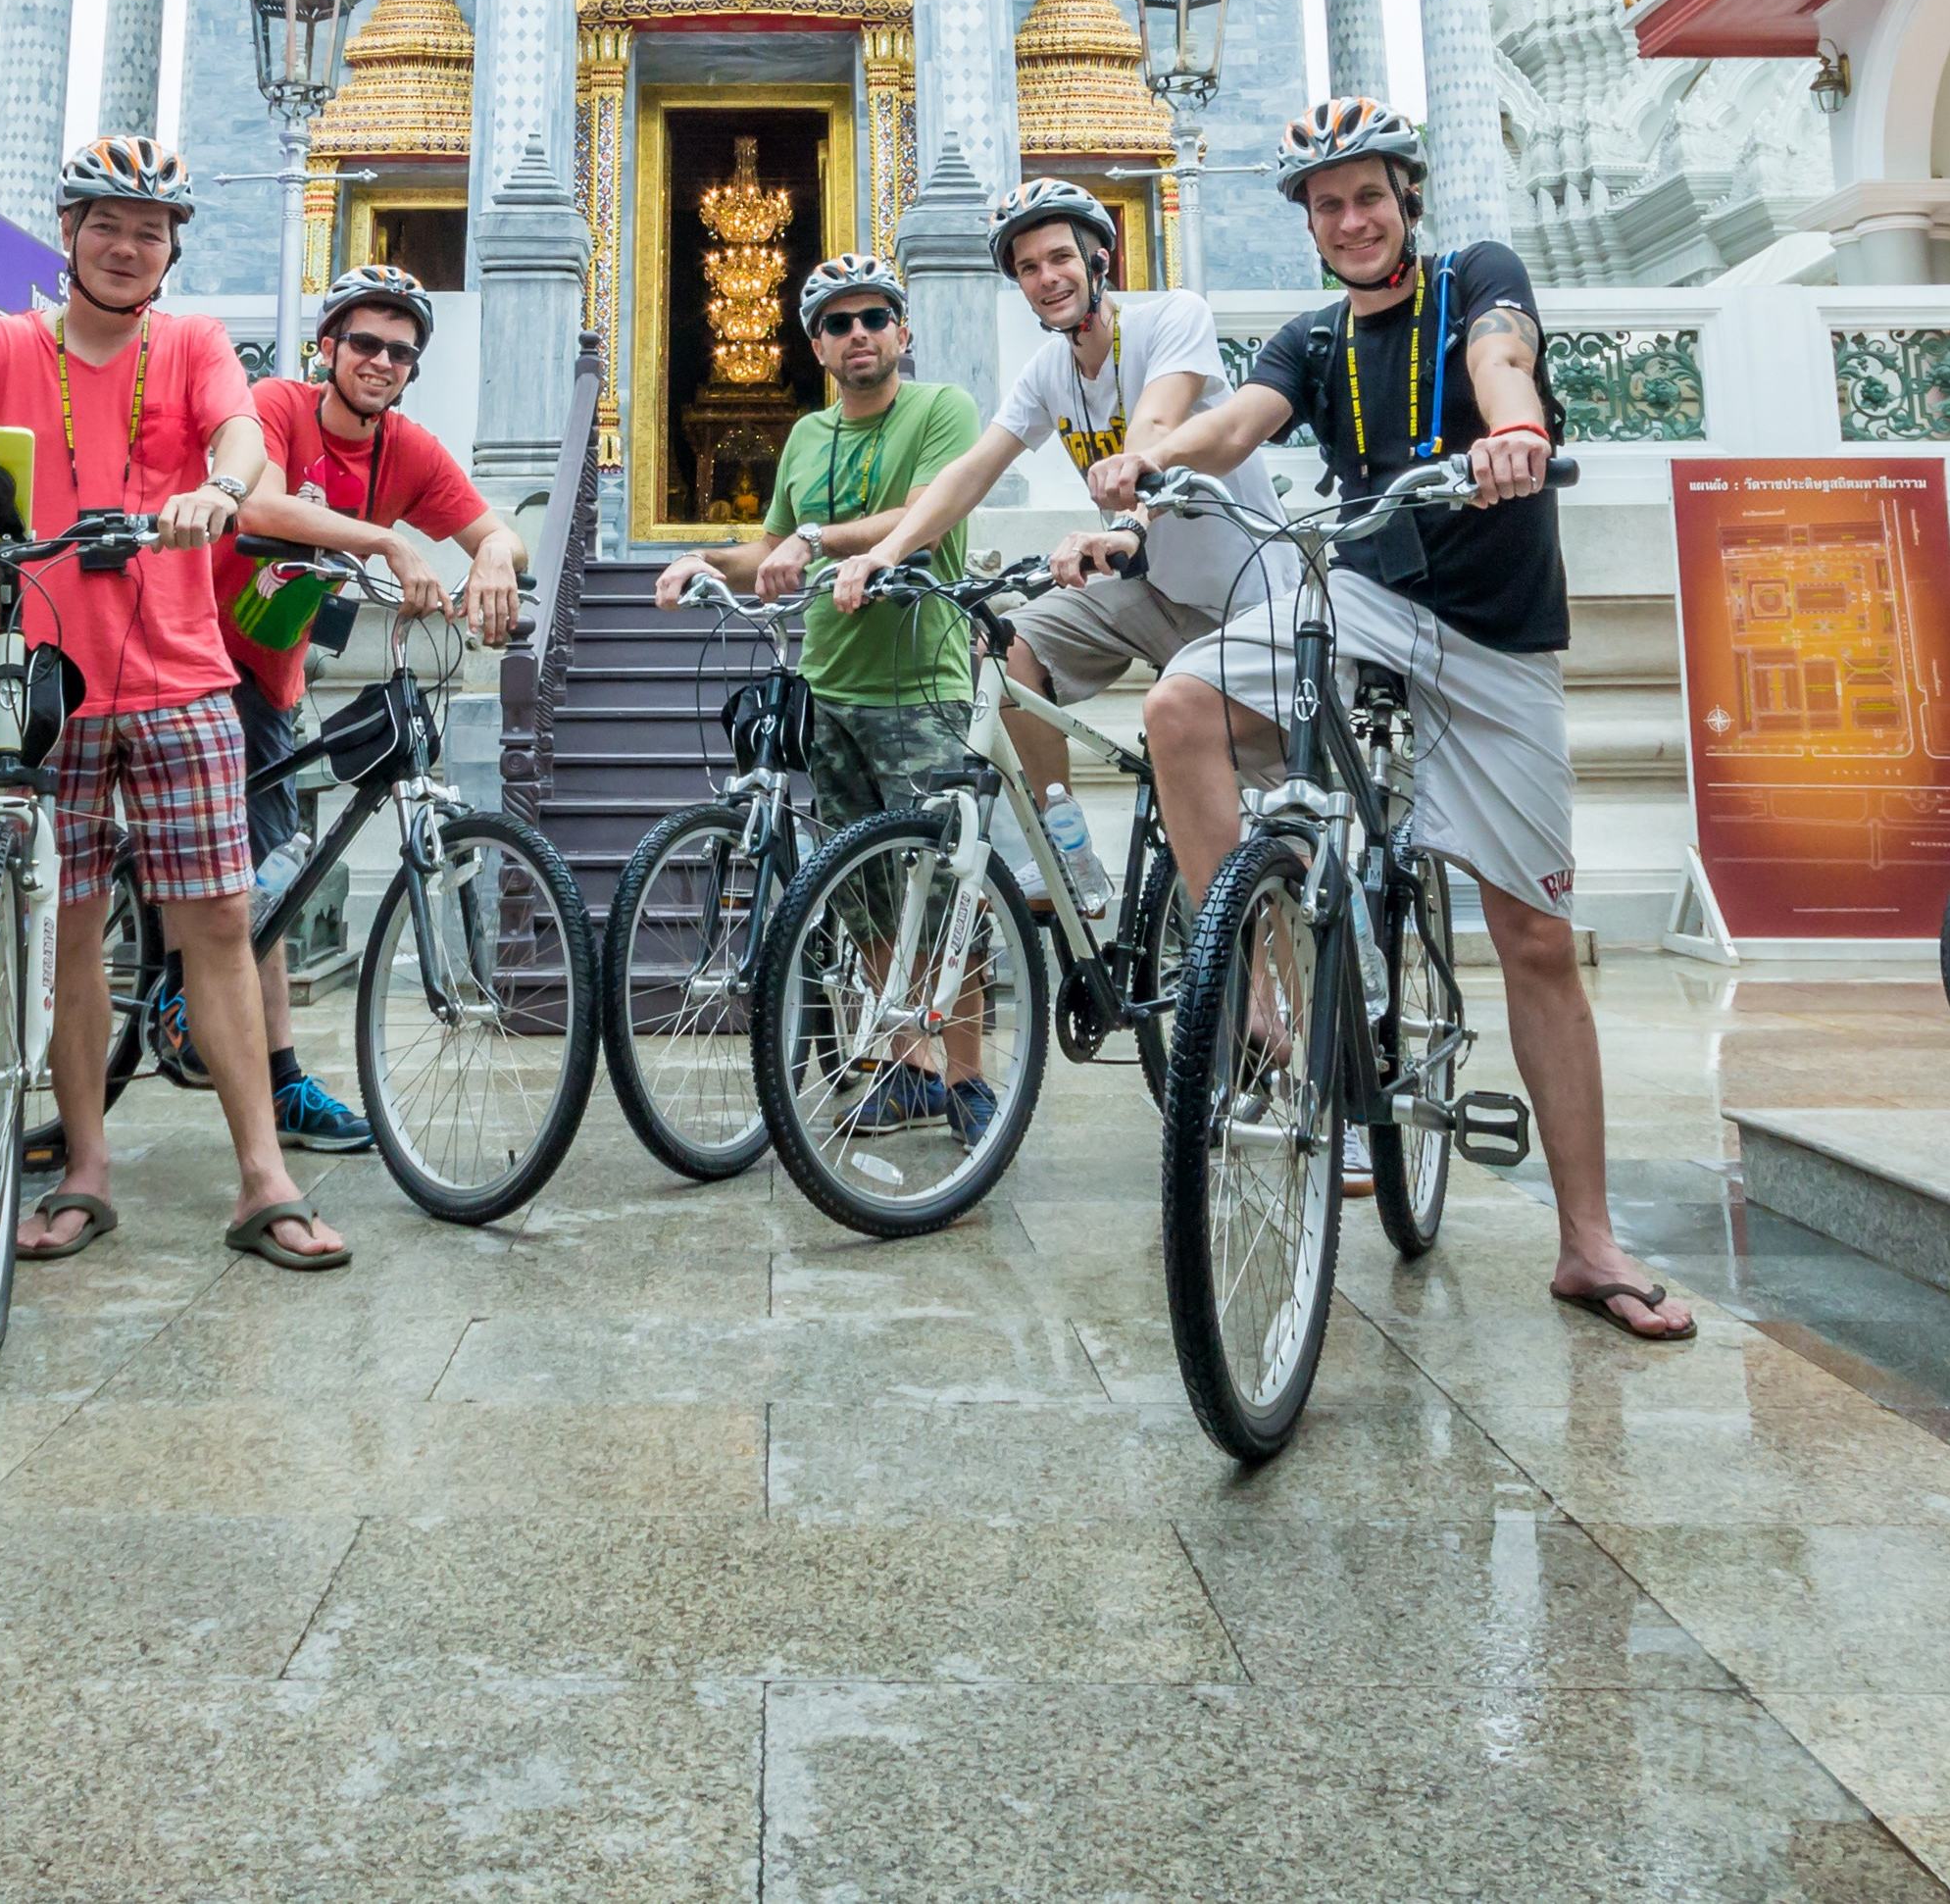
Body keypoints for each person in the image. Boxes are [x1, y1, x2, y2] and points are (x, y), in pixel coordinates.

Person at [1124, 99, 1695, 1340]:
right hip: (1370, 599)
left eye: (1368, 195)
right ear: (1310, 226)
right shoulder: (1312, 342)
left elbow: (1503, 351)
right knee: (1180, 703)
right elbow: (1240, 425)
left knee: (1535, 937)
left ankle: (1587, 1242)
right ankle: (1257, 981)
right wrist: (1157, 457)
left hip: (1498, 639)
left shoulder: (1476, 279)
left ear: (1406, 199)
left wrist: (1518, 432)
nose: (1351, 219)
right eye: (1327, 205)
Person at [0, 137, 345, 1272]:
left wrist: (221, 491)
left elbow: (237, 428)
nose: (127, 247)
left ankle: (262, 1175)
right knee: (68, 928)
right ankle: (86, 1166)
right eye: (106, 225)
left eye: (149, 231)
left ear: (173, 251)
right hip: (38, 681)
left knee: (219, 924)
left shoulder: (187, 348)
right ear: (69, 233)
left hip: (182, 677)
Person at [829, 180, 1287, 913]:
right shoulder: (1048, 373)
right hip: (1152, 592)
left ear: (1099, 257)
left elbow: (1156, 427)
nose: (1046, 278)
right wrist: (888, 550)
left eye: (1058, 258)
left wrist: (1126, 518)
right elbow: (972, 469)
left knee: (1266, 831)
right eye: (1028, 269)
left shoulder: (1172, 317)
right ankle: (1063, 843)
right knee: (1003, 646)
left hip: (1246, 599)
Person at [181, 263, 527, 1154]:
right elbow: (248, 496)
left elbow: (492, 525)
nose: (381, 361)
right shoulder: (277, 405)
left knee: (275, 878)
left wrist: (491, 556)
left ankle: (278, 1074)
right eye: (365, 343)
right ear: (327, 346)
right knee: (236, 871)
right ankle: (217, 1051)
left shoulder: (404, 449)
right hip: (184, 650)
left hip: (266, 671)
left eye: (400, 352)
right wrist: (382, 536)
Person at [647, 254, 990, 1136]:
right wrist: (700, 558)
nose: (858, 334)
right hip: (829, 684)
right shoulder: (805, 436)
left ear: (901, 333)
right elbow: (766, 548)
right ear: (817, 346)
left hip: (922, 680)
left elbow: (923, 513)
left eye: (874, 317)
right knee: (867, 889)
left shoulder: (939, 409)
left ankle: (967, 1073)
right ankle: (904, 1063)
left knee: (945, 882)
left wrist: (811, 535)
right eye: (837, 324)